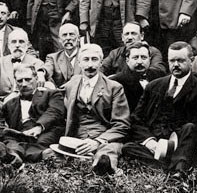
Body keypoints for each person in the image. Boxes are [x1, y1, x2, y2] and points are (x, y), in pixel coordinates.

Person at [126, 42, 197, 176]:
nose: (175, 65)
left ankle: (178, 170)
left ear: (191, 61)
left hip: (183, 141)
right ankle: (167, 164)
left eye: (180, 60)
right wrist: (150, 141)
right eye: (172, 61)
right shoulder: (153, 87)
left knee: (190, 128)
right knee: (127, 148)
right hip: (156, 143)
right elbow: (136, 119)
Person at [50, 43, 129, 175]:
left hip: (104, 137)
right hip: (77, 136)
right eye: (86, 60)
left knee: (108, 151)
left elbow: (122, 124)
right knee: (54, 152)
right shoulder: (72, 83)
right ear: (79, 63)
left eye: (94, 59)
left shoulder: (114, 88)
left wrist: (97, 141)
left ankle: (102, 167)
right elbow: (55, 94)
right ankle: (81, 162)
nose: (90, 65)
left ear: (101, 63)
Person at [0, 63, 65, 165]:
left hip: (44, 132)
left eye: (28, 79)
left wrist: (39, 127)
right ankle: (39, 155)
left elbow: (54, 112)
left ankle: (14, 155)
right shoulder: (9, 104)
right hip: (21, 135)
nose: (24, 84)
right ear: (15, 82)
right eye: (19, 81)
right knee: (9, 138)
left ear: (36, 78)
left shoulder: (52, 94)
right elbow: (2, 123)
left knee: (43, 141)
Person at [0, 27, 40, 110]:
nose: (17, 45)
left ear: (27, 45)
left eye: (21, 42)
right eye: (14, 42)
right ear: (8, 45)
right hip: (2, 105)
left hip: (27, 105)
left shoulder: (36, 63)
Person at [101, 22, 167, 78]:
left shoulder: (153, 52)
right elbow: (101, 68)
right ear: (122, 37)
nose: (129, 37)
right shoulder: (115, 53)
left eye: (133, 33)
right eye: (127, 34)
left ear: (142, 36)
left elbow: (159, 70)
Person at [109, 41, 159, 110]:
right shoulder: (116, 82)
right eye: (135, 58)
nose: (139, 62)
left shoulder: (158, 76)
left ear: (149, 60)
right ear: (127, 60)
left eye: (143, 57)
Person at [43, 23, 84, 88]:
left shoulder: (86, 56)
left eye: (71, 34)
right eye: (64, 35)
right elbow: (47, 68)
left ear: (78, 38)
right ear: (59, 39)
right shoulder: (53, 58)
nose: (68, 38)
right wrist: (41, 73)